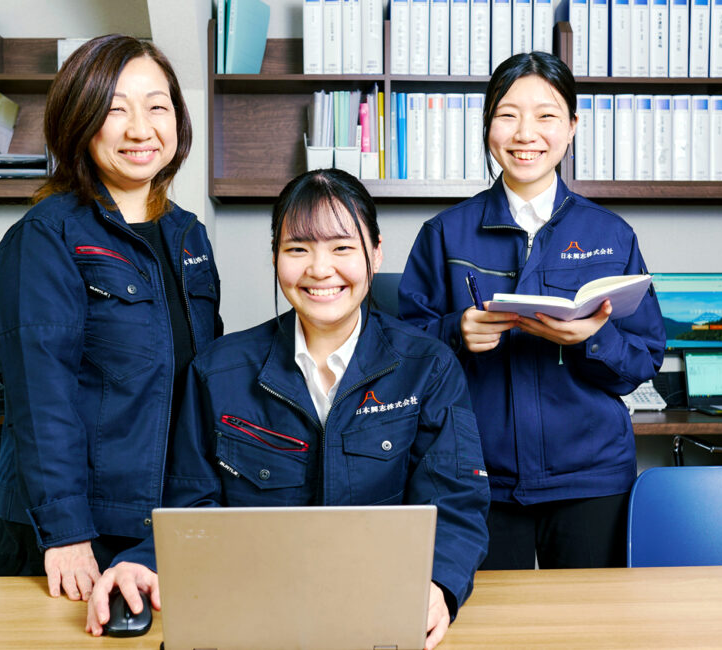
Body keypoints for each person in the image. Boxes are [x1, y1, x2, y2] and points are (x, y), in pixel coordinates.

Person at [85, 169, 490, 650]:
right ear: (275, 256)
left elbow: (457, 503)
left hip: (381, 613)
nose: (320, 270)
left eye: (342, 248)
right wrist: (141, 561)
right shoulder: (218, 372)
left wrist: (439, 586)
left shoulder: (429, 367)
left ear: (375, 253)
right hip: (254, 613)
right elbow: (190, 507)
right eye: (298, 249)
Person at [398, 52, 666, 570]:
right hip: (476, 477)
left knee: (594, 631)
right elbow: (399, 355)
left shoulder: (611, 235)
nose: (526, 133)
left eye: (545, 116)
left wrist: (589, 338)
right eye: (508, 114)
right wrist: (457, 333)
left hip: (590, 477)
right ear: (487, 125)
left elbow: (645, 359)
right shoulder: (444, 234)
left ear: (571, 127)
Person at [0, 34, 222, 600]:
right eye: (115, 109)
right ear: (79, 121)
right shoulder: (46, 236)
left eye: (157, 106)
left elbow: (202, 376)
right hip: (78, 534)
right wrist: (66, 533)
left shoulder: (188, 234)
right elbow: (41, 398)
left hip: (164, 526)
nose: (141, 129)